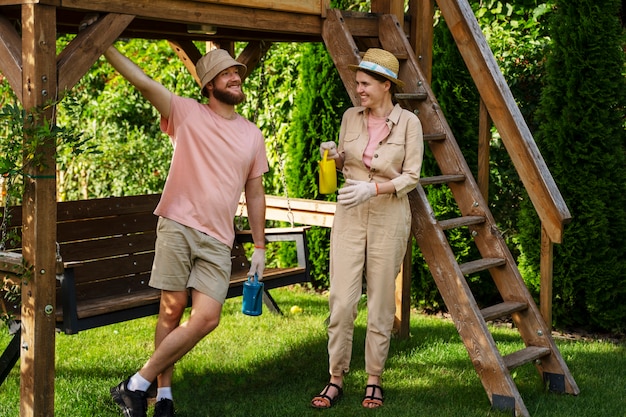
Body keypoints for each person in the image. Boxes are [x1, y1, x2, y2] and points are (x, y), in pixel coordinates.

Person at [103, 45, 268, 417]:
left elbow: (254, 191)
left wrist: (259, 245)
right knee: (172, 309)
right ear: (209, 84)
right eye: (226, 73)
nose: (235, 77)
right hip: (178, 225)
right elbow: (144, 82)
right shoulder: (186, 113)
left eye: (237, 72)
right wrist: (104, 47)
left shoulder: (252, 135)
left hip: (218, 238)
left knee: (208, 316)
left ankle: (135, 384)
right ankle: (163, 397)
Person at [311, 48, 423, 409]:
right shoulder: (349, 117)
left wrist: (373, 188)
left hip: (389, 214)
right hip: (349, 214)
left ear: (386, 85)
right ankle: (336, 377)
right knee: (342, 301)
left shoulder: (409, 124)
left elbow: (412, 177)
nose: (358, 89)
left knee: (378, 303)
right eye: (357, 83)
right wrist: (335, 156)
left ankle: (374, 377)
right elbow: (346, 159)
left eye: (364, 83)